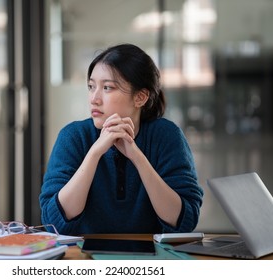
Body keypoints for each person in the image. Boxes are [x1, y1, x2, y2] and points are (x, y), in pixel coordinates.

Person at [39, 43, 203, 235]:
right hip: (83, 256)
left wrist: (137, 157)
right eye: (92, 87)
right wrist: (94, 153)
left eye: (107, 87)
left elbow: (184, 219)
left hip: (154, 258)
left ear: (140, 97)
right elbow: (52, 221)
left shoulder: (166, 136)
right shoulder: (73, 136)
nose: (94, 98)